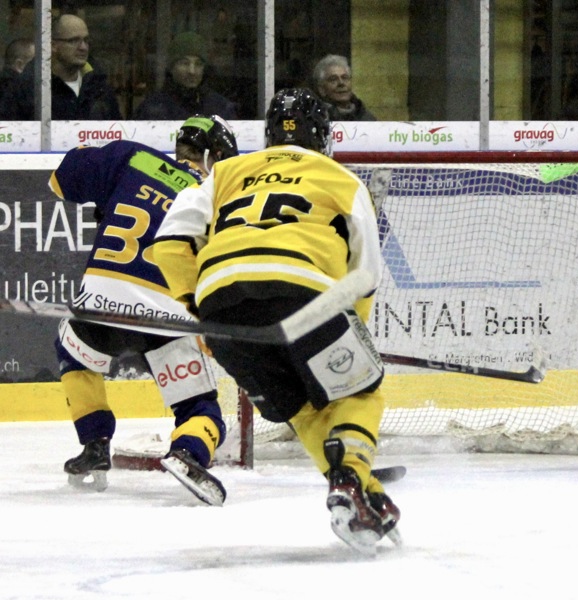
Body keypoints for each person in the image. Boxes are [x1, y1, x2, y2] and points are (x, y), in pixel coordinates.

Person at [152, 88, 399, 553]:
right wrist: (355, 335)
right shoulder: (339, 176)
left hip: (223, 308)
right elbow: (366, 274)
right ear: (324, 137)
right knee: (357, 391)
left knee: (300, 409)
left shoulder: (225, 171)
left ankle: (366, 495)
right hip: (307, 294)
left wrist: (199, 312)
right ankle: (350, 479)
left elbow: (169, 242)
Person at [54, 115, 240, 506]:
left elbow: (64, 176)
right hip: (165, 317)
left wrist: (109, 194)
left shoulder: (133, 158)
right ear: (216, 155)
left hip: (101, 305)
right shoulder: (220, 195)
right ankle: (189, 450)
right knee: (199, 407)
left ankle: (94, 442)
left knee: (71, 352)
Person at [0, 14, 121, 120]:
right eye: (74, 41)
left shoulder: (99, 87)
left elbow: (118, 134)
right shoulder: (26, 89)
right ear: (53, 45)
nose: (83, 47)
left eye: (86, 40)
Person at [133, 31, 237, 121]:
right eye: (184, 63)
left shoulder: (221, 109)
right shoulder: (152, 110)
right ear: (172, 67)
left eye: (198, 64)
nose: (192, 71)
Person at [313, 54, 376, 121]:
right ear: (321, 89)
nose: (341, 83)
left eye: (345, 78)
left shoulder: (367, 118)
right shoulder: (316, 119)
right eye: (333, 79)